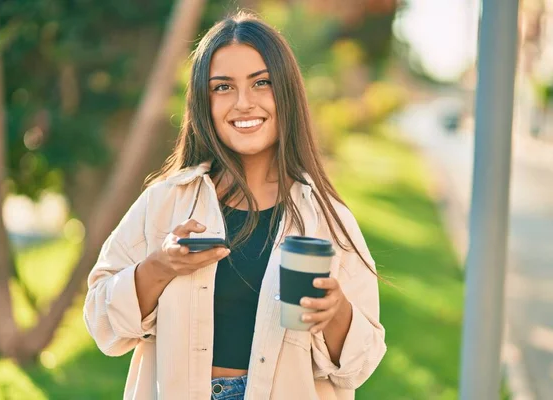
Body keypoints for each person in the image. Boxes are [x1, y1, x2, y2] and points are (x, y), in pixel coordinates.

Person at [84, 11, 386, 400]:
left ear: (286, 93)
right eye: (223, 87)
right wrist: (159, 267)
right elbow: (100, 320)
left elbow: (360, 367)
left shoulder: (326, 219)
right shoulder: (165, 202)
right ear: (203, 101)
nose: (243, 103)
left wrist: (336, 313)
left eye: (261, 83)